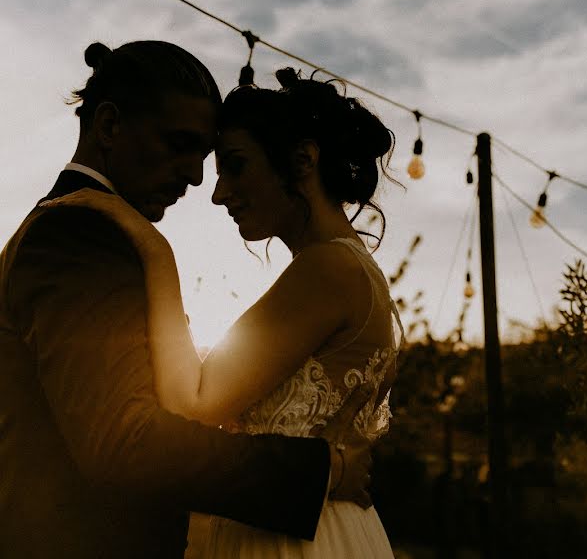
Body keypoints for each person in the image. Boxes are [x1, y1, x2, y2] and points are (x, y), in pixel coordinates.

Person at [0, 41, 372, 559]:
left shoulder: (90, 231)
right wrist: (321, 470)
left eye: (207, 156)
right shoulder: (80, 235)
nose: (198, 178)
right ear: (108, 127)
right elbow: (126, 442)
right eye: (180, 145)